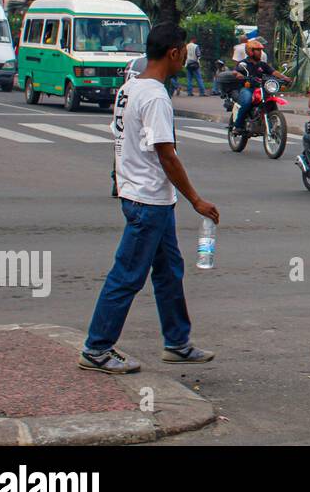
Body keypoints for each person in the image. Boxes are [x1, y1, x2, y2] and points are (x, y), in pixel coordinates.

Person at [81, 23, 221, 373]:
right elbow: (167, 154)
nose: (187, 59)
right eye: (184, 53)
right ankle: (97, 348)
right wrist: (196, 200)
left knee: (169, 272)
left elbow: (120, 139)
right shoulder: (156, 96)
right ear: (173, 53)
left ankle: (177, 342)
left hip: (146, 196)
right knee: (127, 275)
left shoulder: (131, 87)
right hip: (147, 201)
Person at [231, 38, 290, 134]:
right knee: (246, 102)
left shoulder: (262, 64)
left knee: (270, 99)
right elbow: (235, 71)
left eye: (260, 50)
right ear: (250, 51)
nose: (260, 52)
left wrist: (284, 77)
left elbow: (274, 72)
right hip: (247, 88)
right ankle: (238, 126)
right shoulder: (244, 63)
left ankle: (272, 122)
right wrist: (239, 75)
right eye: (257, 50)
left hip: (261, 88)